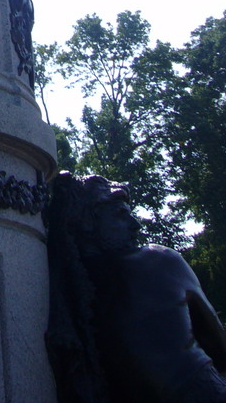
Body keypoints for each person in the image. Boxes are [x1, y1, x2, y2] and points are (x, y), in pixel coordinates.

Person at [46, 172, 226, 403]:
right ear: (88, 222)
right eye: (120, 214)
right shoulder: (159, 261)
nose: (136, 225)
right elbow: (220, 347)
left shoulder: (68, 283)